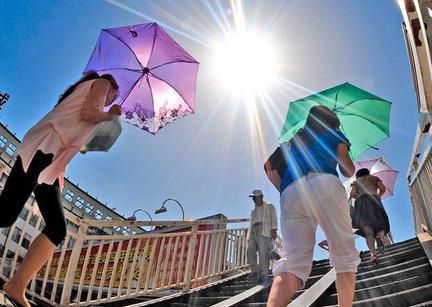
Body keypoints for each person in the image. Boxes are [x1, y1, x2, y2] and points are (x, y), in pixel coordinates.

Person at [0, 72, 121, 307]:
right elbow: (89, 113)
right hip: (45, 149)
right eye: (115, 95)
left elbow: (87, 139)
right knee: (5, 213)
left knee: (56, 228)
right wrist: (109, 115)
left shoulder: (90, 91)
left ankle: (17, 285)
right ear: (113, 87)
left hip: (53, 161)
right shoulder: (103, 83)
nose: (112, 98)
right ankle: (16, 285)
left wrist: (109, 120)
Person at [267, 106, 360, 307]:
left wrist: (283, 188)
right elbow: (348, 170)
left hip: (292, 190)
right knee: (344, 254)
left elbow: (268, 166)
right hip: (325, 182)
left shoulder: (292, 141)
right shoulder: (334, 134)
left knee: (292, 263)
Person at [350, 168, 391, 265]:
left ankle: (373, 255)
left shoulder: (355, 182)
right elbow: (383, 189)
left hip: (361, 203)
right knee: (381, 224)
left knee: (368, 232)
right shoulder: (375, 178)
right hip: (374, 199)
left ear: (358, 175)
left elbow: (352, 194)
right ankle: (379, 237)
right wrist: (379, 195)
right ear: (368, 173)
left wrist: (359, 197)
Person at [247, 189, 278, 284]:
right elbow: (251, 223)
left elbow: (274, 217)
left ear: (261, 197)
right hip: (254, 231)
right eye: (253, 198)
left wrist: (274, 229)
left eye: (255, 197)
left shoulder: (269, 206)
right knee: (250, 250)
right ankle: (254, 271)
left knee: (263, 252)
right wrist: (249, 235)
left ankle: (263, 274)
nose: (254, 200)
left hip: (264, 229)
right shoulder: (253, 211)